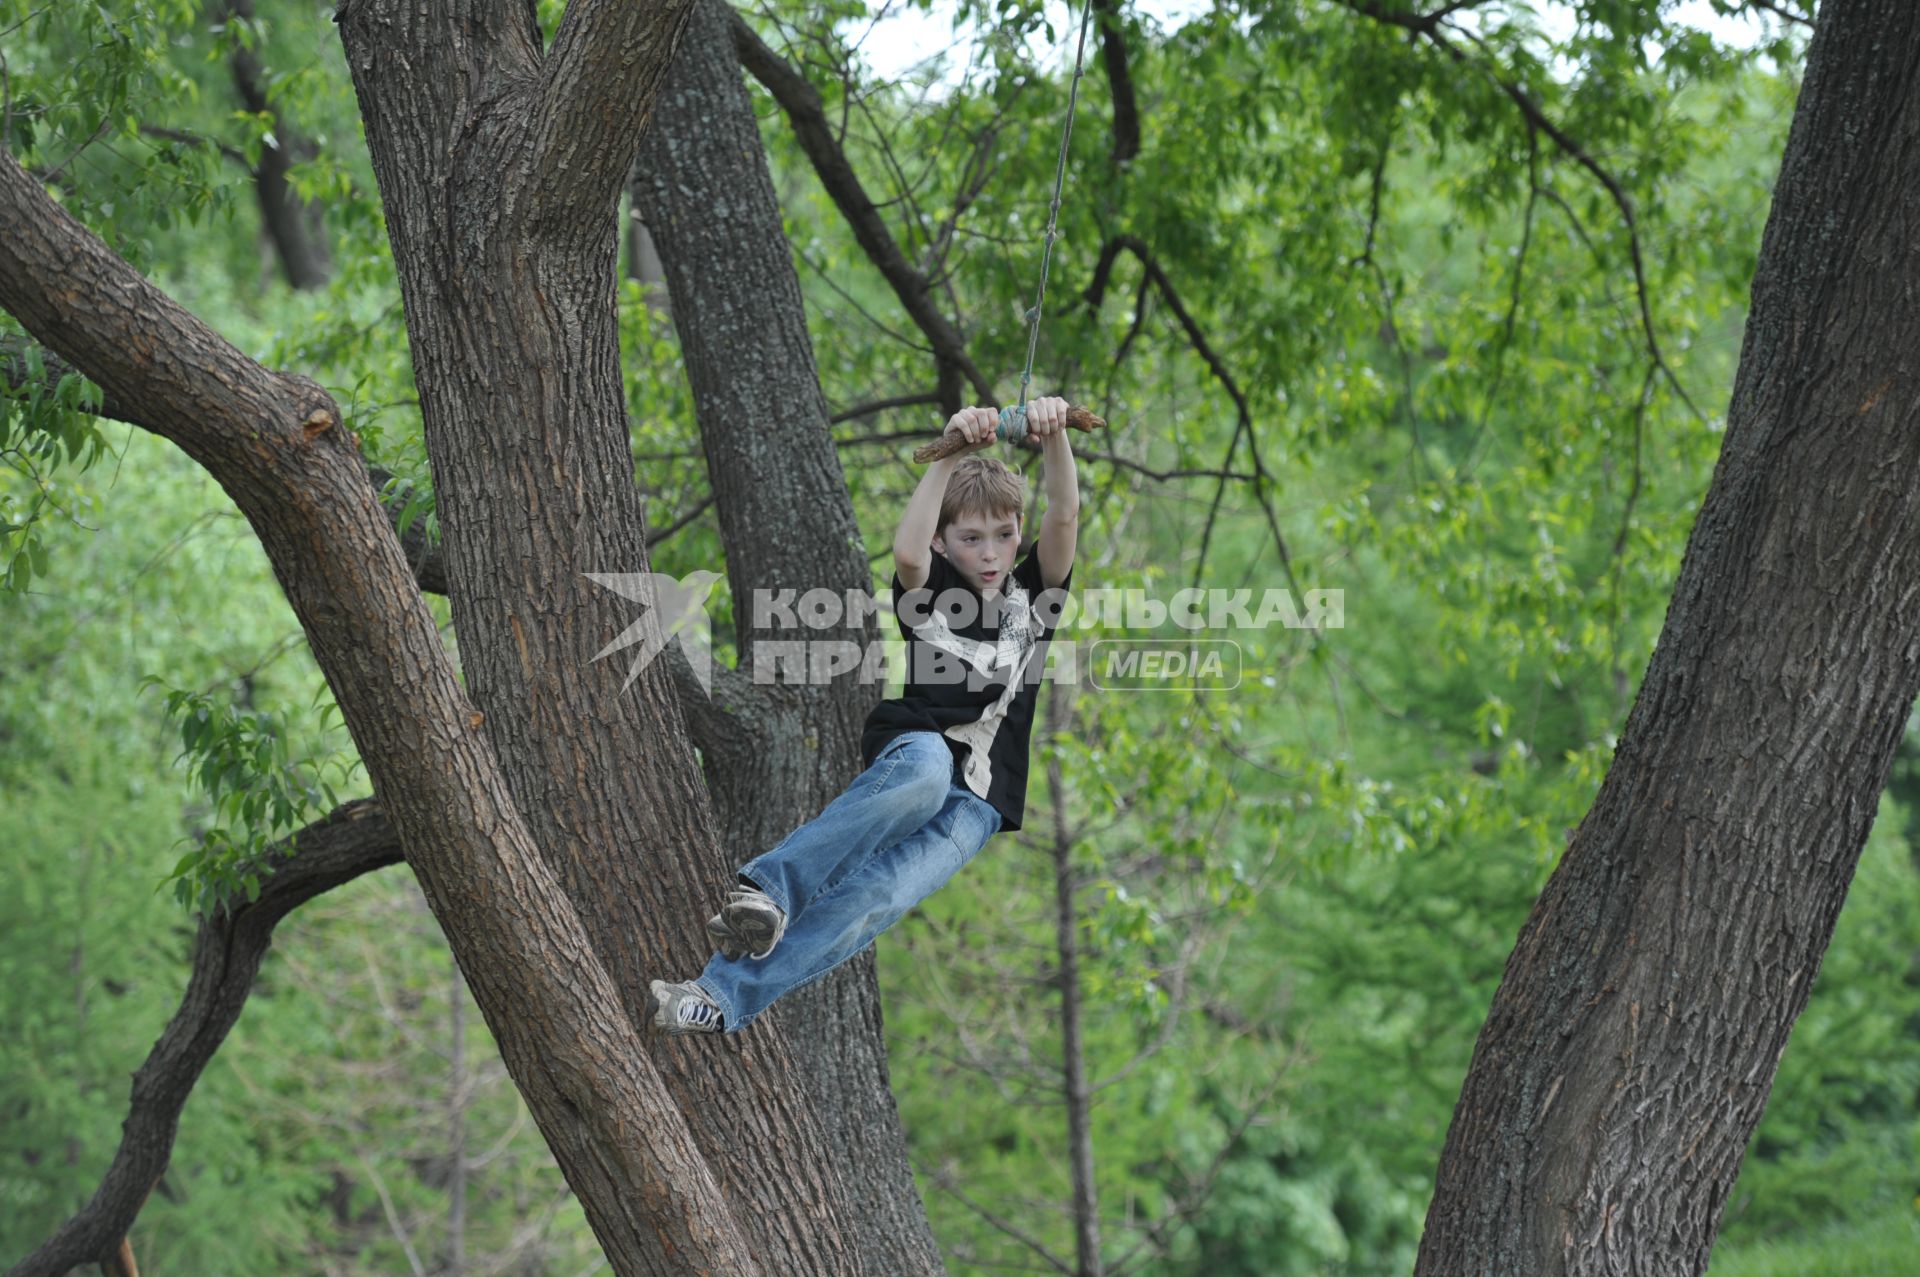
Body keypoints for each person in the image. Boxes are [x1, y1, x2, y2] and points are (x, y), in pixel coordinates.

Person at [648, 396, 1080, 1034]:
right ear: (944, 539)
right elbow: (907, 552)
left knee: (880, 899)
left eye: (1004, 535)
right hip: (923, 748)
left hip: (981, 804)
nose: (990, 553)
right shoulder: (933, 589)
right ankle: (767, 892)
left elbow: (1065, 515)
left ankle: (719, 998)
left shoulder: (1034, 594)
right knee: (926, 775)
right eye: (970, 538)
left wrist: (1055, 435)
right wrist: (951, 451)